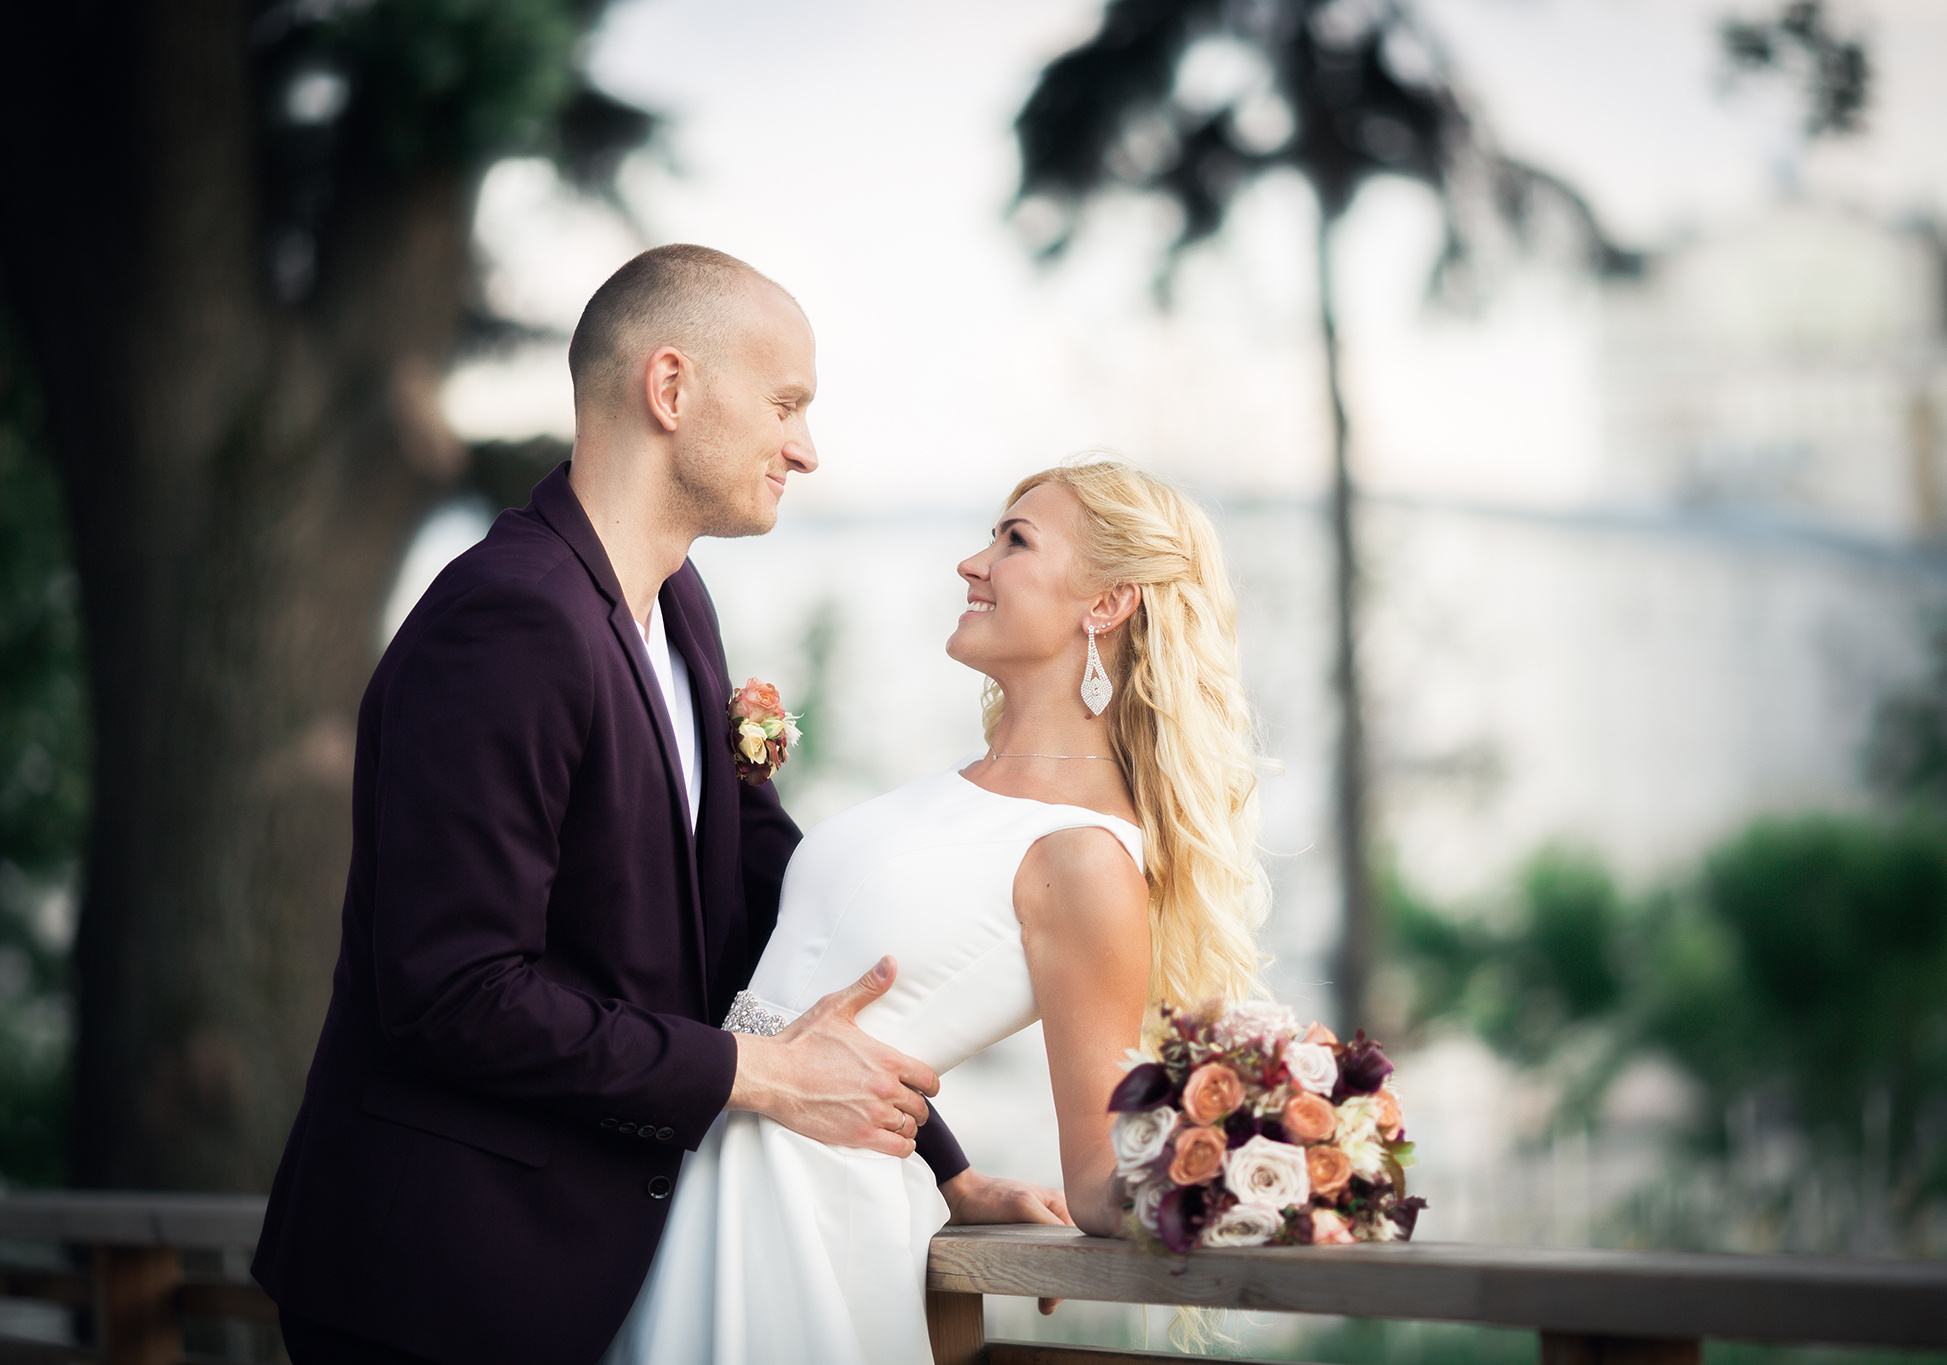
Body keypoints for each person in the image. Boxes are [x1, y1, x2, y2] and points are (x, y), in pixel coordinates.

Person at [251, 245, 1064, 1365]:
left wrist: (941, 1162)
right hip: (438, 1289)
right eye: (785, 404)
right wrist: (761, 1078)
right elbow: (450, 992)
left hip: (599, 1282)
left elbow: (778, 941)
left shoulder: (680, 607)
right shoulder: (508, 619)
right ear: (670, 390)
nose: (806, 448)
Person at [601, 459, 1269, 1364]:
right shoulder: (958, 788)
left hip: (815, 1218)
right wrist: (952, 1170)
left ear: (1107, 603)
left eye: (1015, 540)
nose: (973, 562)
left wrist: (1271, 1171)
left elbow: (1098, 1173)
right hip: (706, 1168)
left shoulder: (1087, 857)